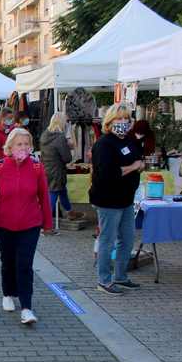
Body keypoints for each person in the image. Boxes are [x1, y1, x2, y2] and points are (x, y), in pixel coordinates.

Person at [0, 128, 53, 325]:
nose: (23, 148)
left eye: (26, 144)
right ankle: (8, 292)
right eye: (19, 144)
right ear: (10, 147)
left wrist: (47, 223)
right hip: (3, 224)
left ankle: (27, 307)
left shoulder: (37, 168)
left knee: (25, 265)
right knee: (8, 261)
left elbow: (44, 197)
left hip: (30, 224)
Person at [89, 103, 144, 295]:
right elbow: (108, 173)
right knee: (108, 240)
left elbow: (139, 159)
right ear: (110, 122)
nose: (123, 122)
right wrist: (133, 166)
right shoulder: (104, 144)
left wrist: (140, 165)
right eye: (119, 119)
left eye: (126, 119)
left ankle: (120, 276)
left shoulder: (128, 141)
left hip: (126, 199)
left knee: (127, 240)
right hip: (108, 200)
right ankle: (103, 280)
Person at [40, 112, 84, 222]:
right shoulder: (60, 137)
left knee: (61, 191)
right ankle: (44, 221)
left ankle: (70, 212)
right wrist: (69, 146)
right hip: (57, 170)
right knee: (54, 193)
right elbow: (67, 158)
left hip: (47, 168)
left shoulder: (45, 134)